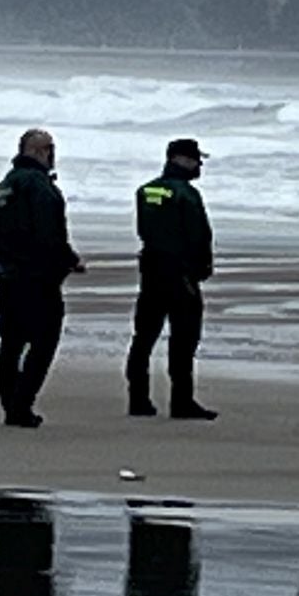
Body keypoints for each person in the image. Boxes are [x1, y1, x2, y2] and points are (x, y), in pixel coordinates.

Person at [0, 129, 84, 427]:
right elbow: (49, 234)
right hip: (37, 278)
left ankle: (11, 404)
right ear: (42, 151)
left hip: (8, 276)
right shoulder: (40, 188)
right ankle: (21, 404)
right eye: (50, 150)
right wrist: (69, 261)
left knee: (11, 342)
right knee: (45, 339)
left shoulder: (3, 187)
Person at [126, 137, 217, 419]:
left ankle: (138, 399)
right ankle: (181, 401)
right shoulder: (186, 195)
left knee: (144, 337)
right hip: (180, 274)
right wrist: (202, 268)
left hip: (152, 269)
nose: (199, 164)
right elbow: (199, 236)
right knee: (184, 339)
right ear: (181, 159)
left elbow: (144, 229)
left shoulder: (146, 191)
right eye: (195, 159)